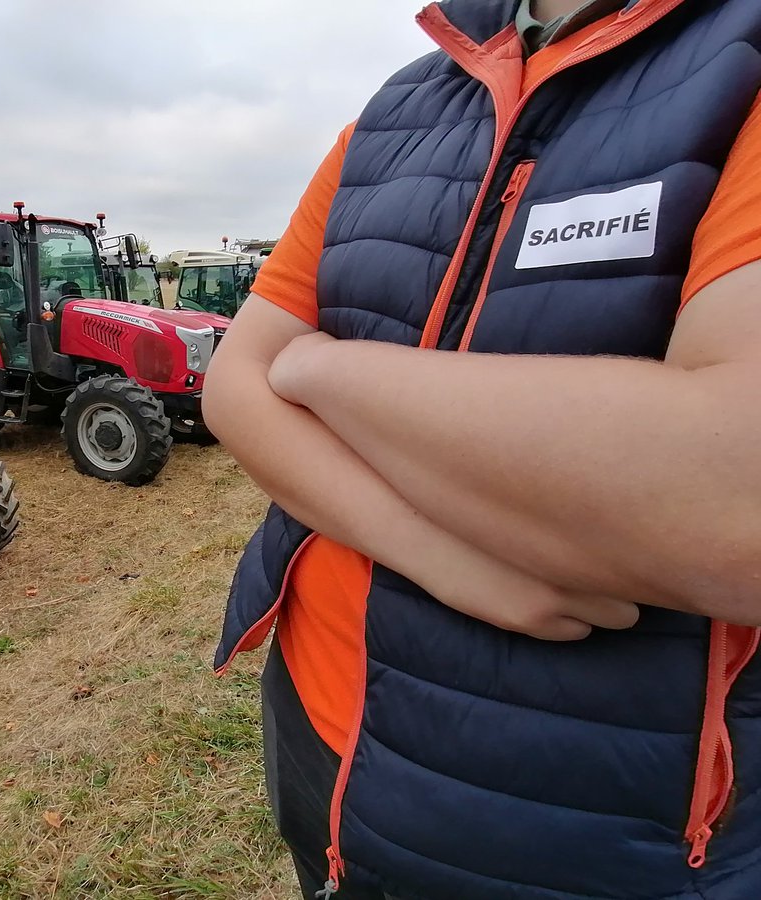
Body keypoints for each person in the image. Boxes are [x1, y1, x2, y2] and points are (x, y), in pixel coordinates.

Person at [202, 1, 761, 898]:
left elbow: (736, 500)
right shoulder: (388, 118)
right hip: (321, 733)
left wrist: (319, 368)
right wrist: (448, 561)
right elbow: (234, 387)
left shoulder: (740, 68)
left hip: (584, 826)